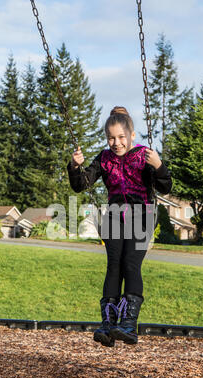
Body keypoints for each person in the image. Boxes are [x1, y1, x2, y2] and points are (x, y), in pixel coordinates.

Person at [67, 106, 172, 347]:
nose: (116, 143)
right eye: (111, 138)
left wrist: (158, 166)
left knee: (130, 264)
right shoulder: (104, 159)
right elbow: (81, 184)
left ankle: (128, 326)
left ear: (132, 135)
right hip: (114, 217)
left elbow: (166, 187)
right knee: (113, 266)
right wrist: (75, 166)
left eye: (121, 137)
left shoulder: (145, 156)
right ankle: (108, 325)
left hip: (141, 215)